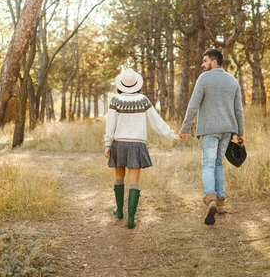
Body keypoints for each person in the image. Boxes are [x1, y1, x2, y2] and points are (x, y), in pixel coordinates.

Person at [104, 67, 179, 229]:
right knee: (134, 182)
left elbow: (110, 125)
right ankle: (131, 219)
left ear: (121, 84)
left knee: (118, 178)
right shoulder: (143, 100)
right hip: (137, 144)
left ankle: (119, 211)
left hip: (119, 143)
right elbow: (156, 121)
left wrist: (107, 144)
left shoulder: (115, 101)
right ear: (137, 84)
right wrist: (172, 134)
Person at [179, 48, 245, 225]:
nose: (203, 64)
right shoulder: (232, 81)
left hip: (210, 129)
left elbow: (193, 105)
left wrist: (185, 128)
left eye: (205, 61)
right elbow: (238, 109)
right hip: (228, 129)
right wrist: (241, 132)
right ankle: (221, 201)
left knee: (208, 164)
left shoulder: (204, 79)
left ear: (214, 62)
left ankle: (210, 200)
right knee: (218, 163)